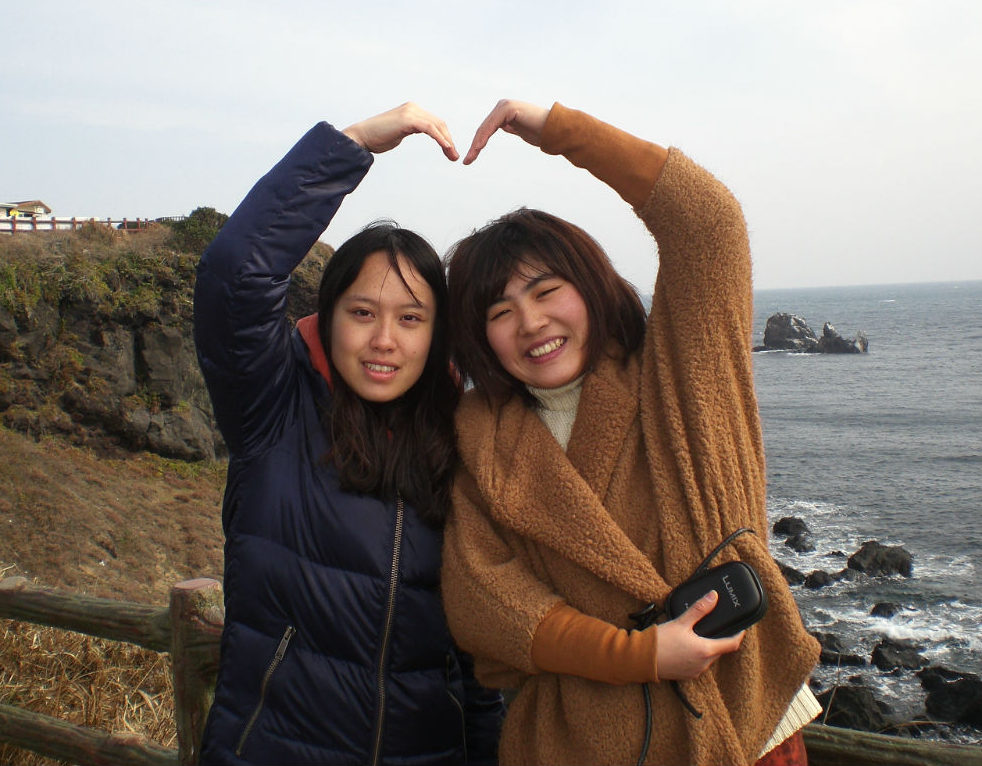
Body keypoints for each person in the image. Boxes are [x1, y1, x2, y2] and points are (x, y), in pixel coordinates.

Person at [440, 100, 822, 765]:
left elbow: (708, 225)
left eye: (546, 291)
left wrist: (561, 131)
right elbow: (483, 601)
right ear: (479, 336)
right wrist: (635, 654)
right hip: (582, 746)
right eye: (500, 311)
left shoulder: (681, 376)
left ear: (590, 286)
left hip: (744, 722)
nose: (530, 322)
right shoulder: (481, 441)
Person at [193, 103, 503, 765]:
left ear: (438, 334)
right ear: (328, 315)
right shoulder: (275, 410)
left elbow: (478, 659)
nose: (384, 339)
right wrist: (350, 145)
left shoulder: (463, 443)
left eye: (411, 319)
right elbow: (234, 274)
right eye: (362, 312)